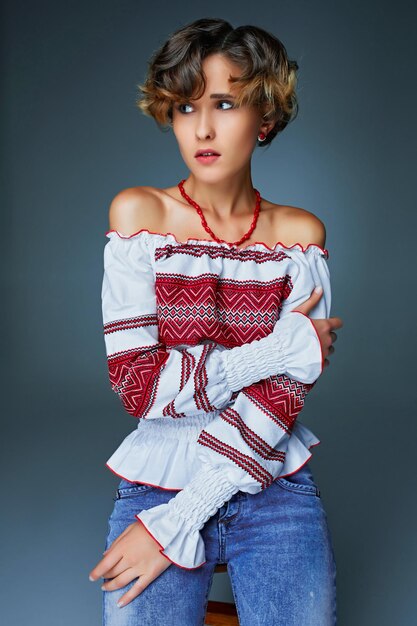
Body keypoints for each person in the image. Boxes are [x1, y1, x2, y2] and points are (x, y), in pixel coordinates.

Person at [89, 17, 343, 626]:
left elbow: (281, 397)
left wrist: (177, 525)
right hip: (157, 481)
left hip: (272, 483)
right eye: (183, 108)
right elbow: (140, 387)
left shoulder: (300, 238)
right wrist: (274, 349)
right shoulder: (138, 215)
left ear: (267, 117)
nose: (201, 128)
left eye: (224, 104)